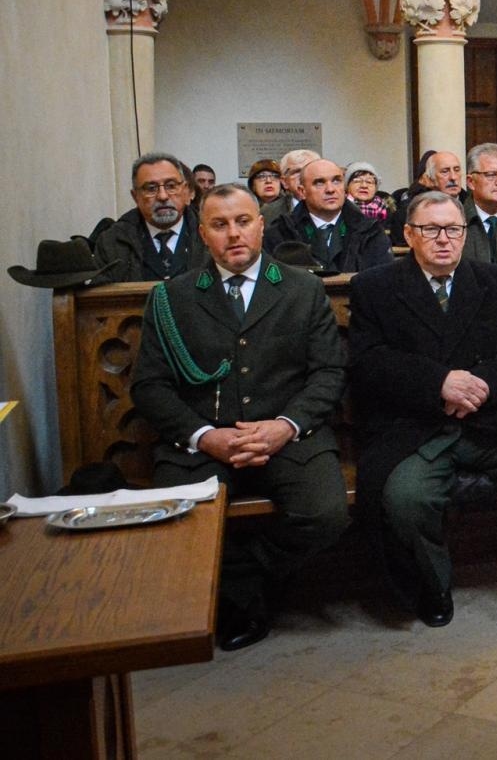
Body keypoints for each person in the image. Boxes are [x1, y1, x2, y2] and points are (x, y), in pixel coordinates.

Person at [347, 191, 497, 638]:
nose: (444, 239)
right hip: (415, 426)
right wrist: (438, 383)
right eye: (431, 230)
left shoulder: (496, 281)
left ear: (464, 234)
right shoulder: (375, 287)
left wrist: (480, 385)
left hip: (488, 420)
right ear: (409, 235)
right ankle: (433, 586)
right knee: (405, 497)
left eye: (453, 229)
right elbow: (368, 362)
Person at [129, 183, 348, 650]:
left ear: (261, 226)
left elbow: (328, 373)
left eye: (243, 221)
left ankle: (242, 583)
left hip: (288, 435)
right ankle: (245, 594)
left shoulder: (302, 288)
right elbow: (149, 386)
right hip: (203, 442)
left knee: (325, 515)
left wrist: (285, 426)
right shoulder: (173, 297)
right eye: (220, 224)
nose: (233, 234)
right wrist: (204, 436)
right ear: (202, 233)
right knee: (182, 521)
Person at [92, 153, 208, 283]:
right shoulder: (112, 241)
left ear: (186, 191)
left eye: (171, 186)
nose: (163, 196)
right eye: (151, 188)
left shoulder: (211, 234)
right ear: (135, 196)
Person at [265, 159, 393, 273]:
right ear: (302, 191)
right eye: (319, 183)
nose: (330, 189)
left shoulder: (370, 231)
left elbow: (382, 279)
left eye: (336, 181)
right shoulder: (281, 231)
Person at [260, 148, 320, 226]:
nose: (303, 176)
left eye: (310, 170)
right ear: (284, 182)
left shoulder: (334, 204)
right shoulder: (268, 213)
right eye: (297, 172)